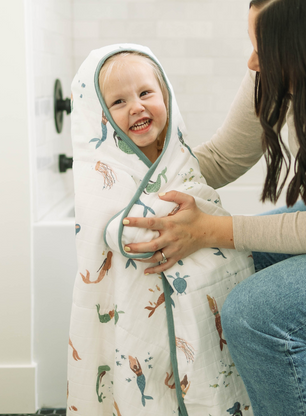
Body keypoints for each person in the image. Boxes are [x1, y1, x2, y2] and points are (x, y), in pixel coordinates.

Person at [120, 0, 306, 415]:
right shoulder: (283, 64)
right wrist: (134, 183)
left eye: (266, 49)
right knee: (223, 261)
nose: (253, 61)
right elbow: (223, 157)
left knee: (255, 315)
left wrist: (210, 228)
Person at [68, 44, 254, 416]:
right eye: (118, 102)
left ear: (165, 96)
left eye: (145, 93)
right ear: (100, 118)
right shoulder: (102, 171)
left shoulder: (179, 156)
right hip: (134, 306)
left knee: (196, 382)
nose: (136, 106)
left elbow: (203, 198)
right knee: (148, 387)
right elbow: (115, 228)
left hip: (194, 305)